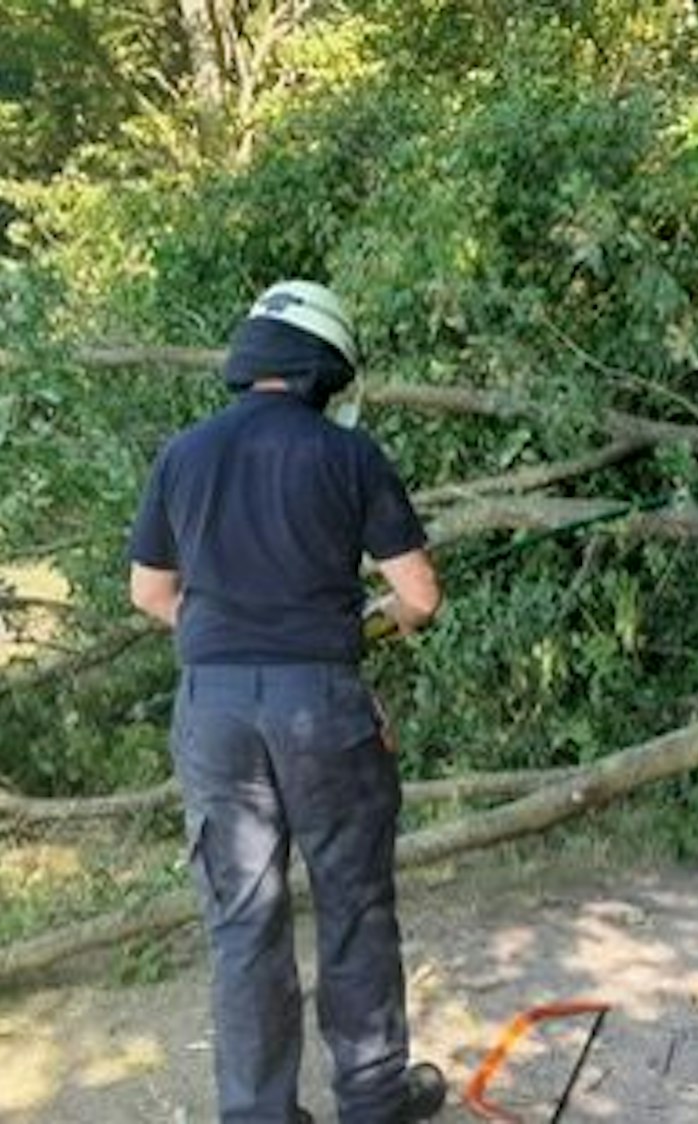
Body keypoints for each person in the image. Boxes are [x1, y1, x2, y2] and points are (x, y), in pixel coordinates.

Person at [128, 280, 447, 1123]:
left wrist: (228, 636)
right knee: (353, 904)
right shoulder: (349, 456)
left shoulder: (183, 454)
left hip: (215, 712)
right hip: (322, 706)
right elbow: (418, 595)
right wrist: (370, 626)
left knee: (241, 923)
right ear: (325, 369)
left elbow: (149, 592)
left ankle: (260, 1115)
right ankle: (374, 1100)